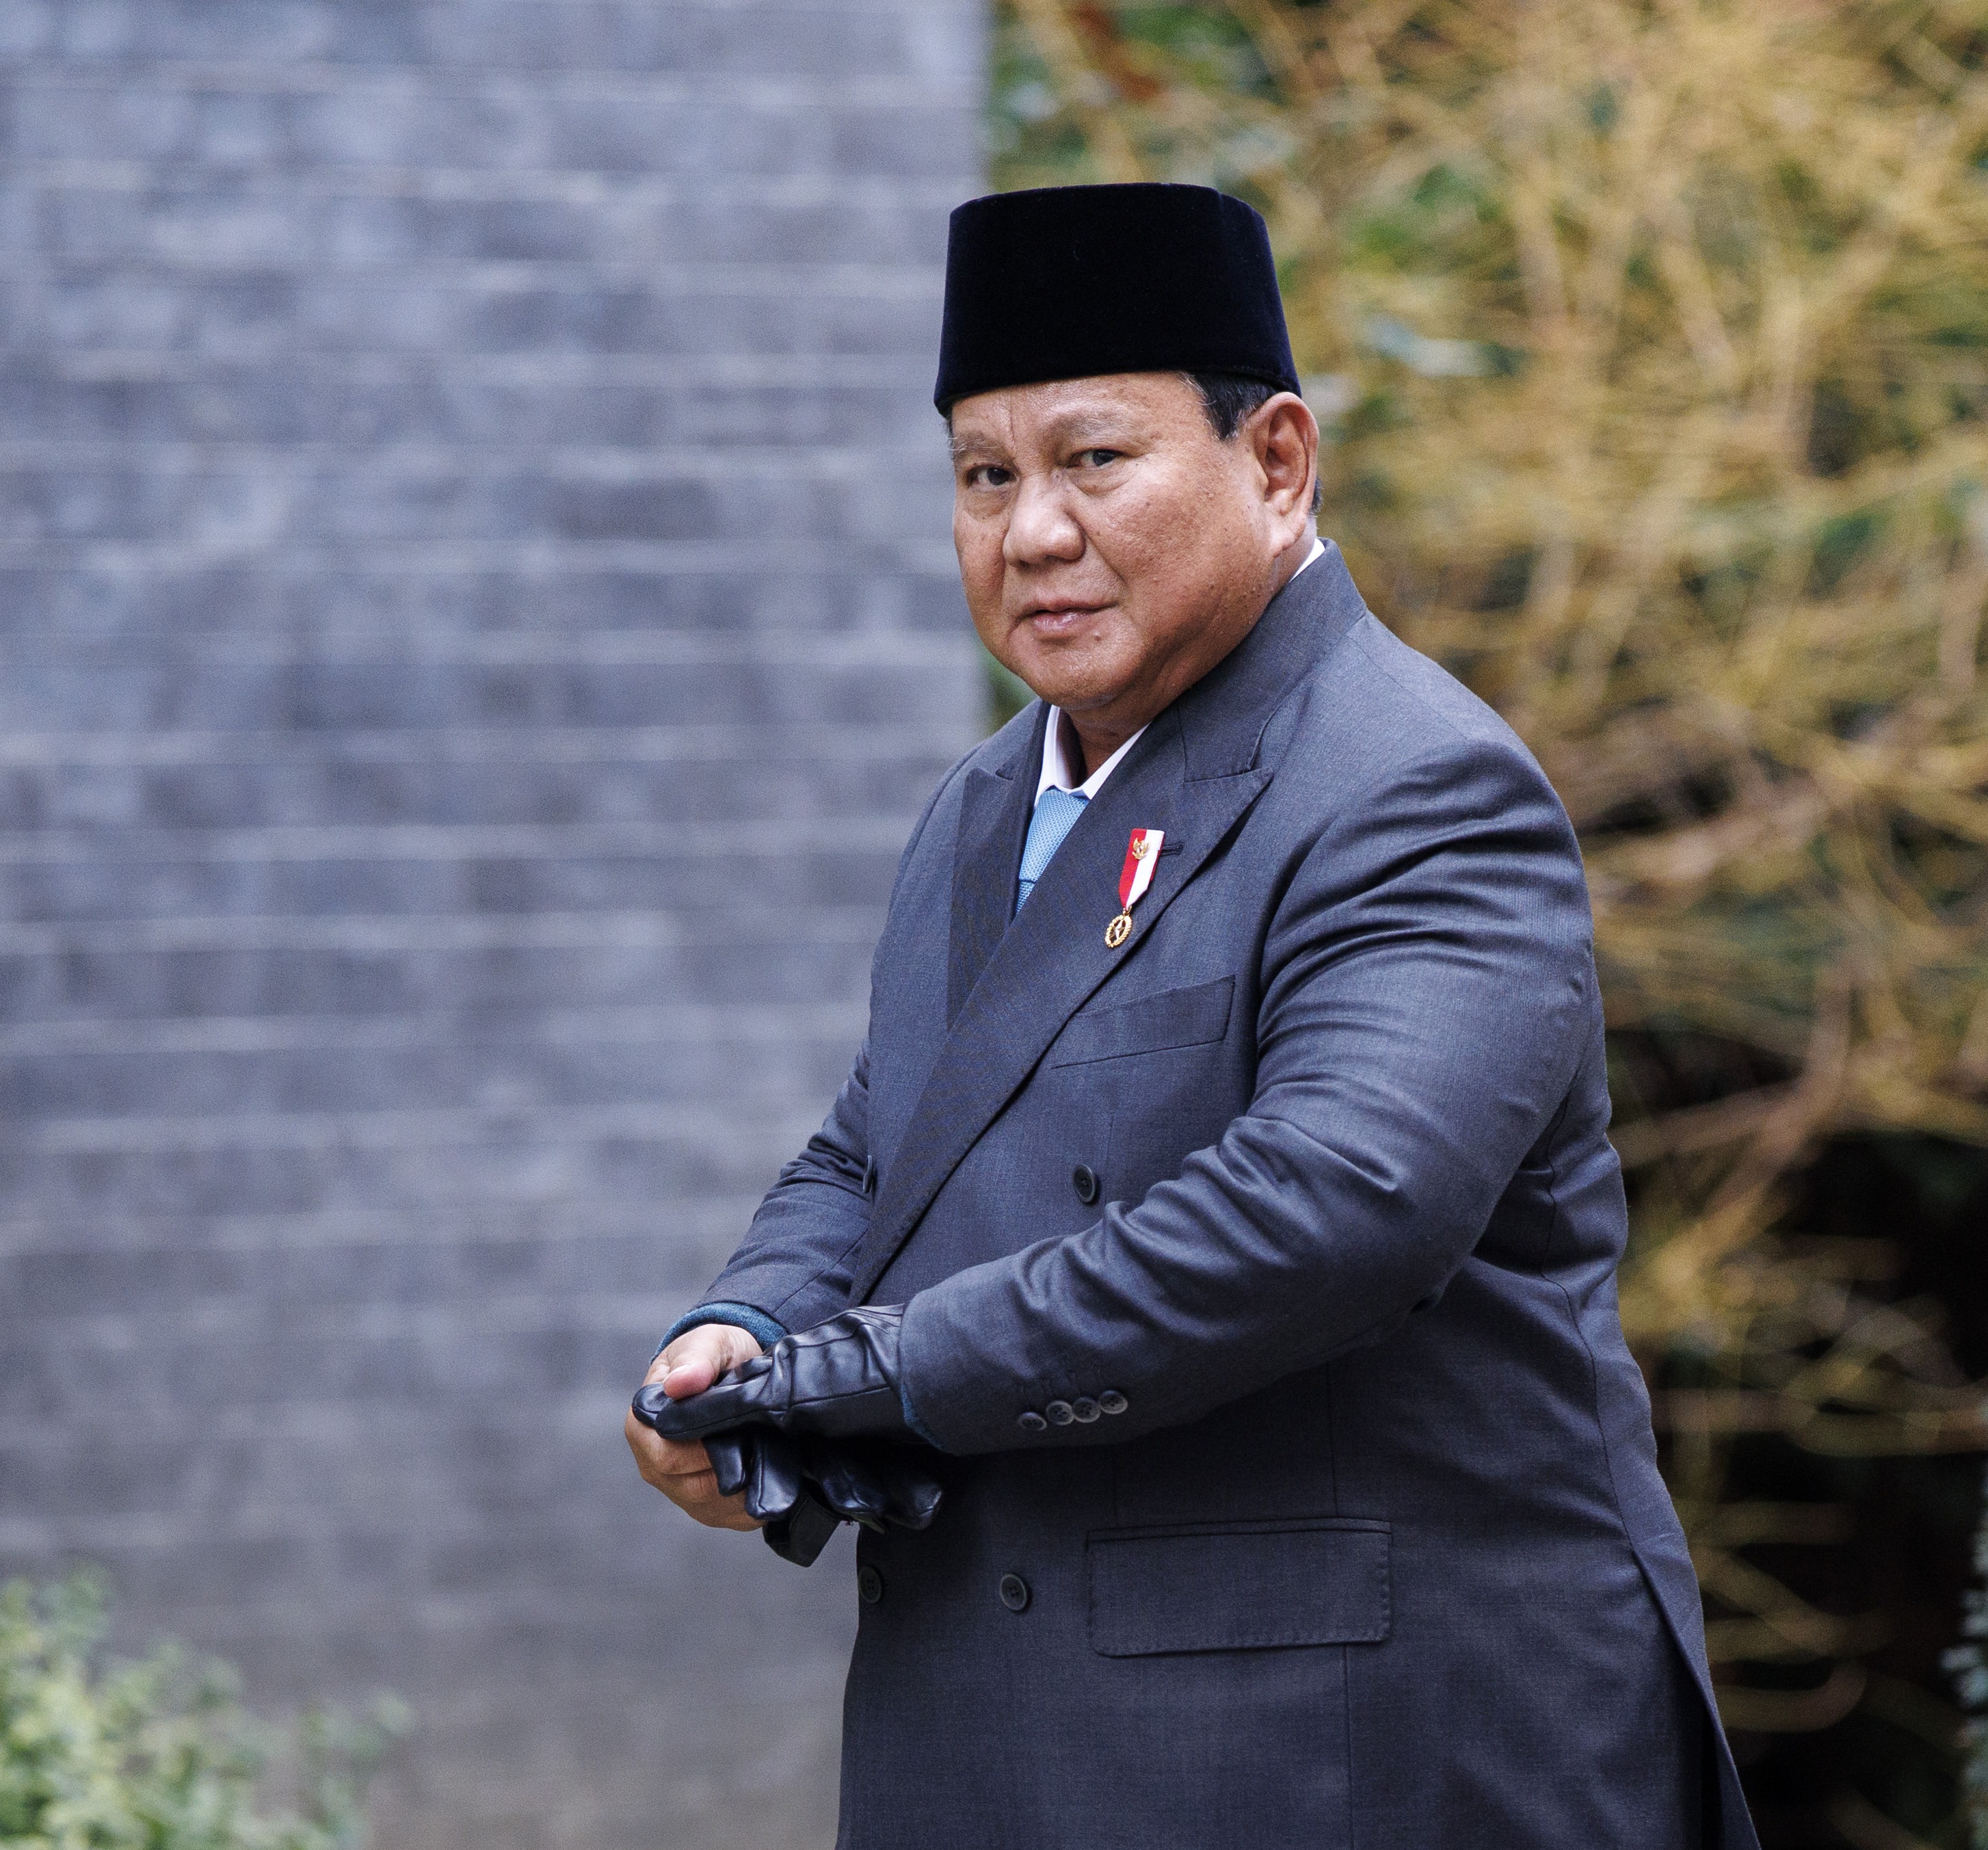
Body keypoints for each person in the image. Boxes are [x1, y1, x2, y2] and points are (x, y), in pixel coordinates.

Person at [624, 181, 1758, 1848]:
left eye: (1095, 460)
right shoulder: (983, 803)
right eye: (982, 477)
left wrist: (872, 1374)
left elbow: (1332, 1212)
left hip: (1355, 1747)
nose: (1032, 533)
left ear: (1278, 463)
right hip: (1008, 1729)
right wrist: (747, 1331)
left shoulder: (1414, 786)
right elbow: (884, 1151)